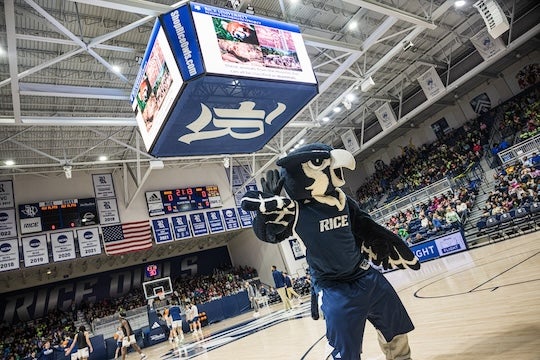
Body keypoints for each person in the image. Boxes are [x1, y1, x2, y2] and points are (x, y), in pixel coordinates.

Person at [242, 143, 420, 360]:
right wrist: (263, 216)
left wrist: (381, 241)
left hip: (364, 274)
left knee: (396, 327)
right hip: (332, 286)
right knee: (342, 348)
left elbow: (365, 225)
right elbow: (268, 234)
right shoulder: (296, 210)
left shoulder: (343, 201)